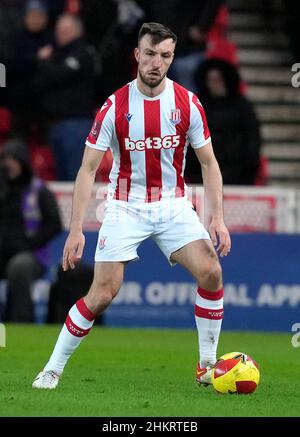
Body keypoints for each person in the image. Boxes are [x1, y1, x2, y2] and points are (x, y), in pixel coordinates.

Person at [32, 22, 231, 390]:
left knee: (212, 273)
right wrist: (76, 229)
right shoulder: (114, 106)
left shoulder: (187, 103)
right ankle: (51, 368)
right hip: (125, 206)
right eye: (151, 54)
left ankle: (206, 366)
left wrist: (217, 217)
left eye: (166, 55)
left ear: (172, 58)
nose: (157, 62)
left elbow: (209, 163)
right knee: (103, 294)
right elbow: (87, 169)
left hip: (172, 205)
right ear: (137, 55)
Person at [0, 139, 62, 322]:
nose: (8, 164)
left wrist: (30, 243)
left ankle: (22, 321)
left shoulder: (38, 190)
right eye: (5, 159)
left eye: (13, 159)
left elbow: (55, 224)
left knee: (19, 266)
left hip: (31, 255)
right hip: (3, 251)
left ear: (23, 162)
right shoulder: (2, 190)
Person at [35, 13, 96, 180]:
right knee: (61, 177)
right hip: (55, 124)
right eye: (59, 31)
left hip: (76, 124)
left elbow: (60, 74)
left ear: (78, 31)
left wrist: (44, 62)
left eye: (66, 31)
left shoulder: (83, 52)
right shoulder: (55, 53)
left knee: (75, 176)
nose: (61, 35)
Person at [185, 58, 261, 185]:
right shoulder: (197, 105)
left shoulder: (241, 106)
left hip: (237, 175)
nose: (214, 84)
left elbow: (252, 137)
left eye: (218, 79)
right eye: (210, 80)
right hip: (203, 175)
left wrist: (250, 167)